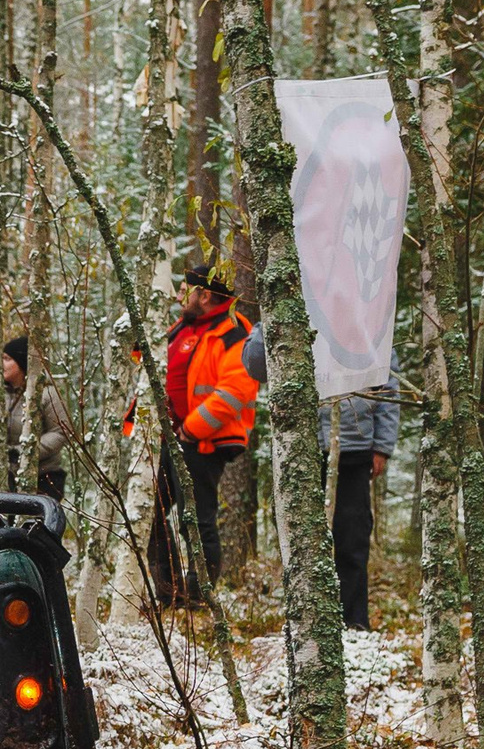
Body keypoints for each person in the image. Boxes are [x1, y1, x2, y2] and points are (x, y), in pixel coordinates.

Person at [242, 327, 401, 631]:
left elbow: (389, 385)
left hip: (354, 447)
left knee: (351, 539)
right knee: (300, 538)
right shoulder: (294, 294)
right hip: (299, 445)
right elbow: (255, 365)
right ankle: (305, 623)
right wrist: (267, 319)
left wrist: (382, 444)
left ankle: (353, 623)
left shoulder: (365, 310)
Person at [162, 269, 260, 581]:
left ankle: (199, 593)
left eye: (184, 291)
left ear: (204, 295)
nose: (179, 298)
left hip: (202, 442)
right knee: (150, 515)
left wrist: (190, 430)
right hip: (168, 438)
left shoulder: (234, 331)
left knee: (198, 519)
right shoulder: (181, 327)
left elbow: (233, 393)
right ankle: (167, 589)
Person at [2, 336, 75, 501]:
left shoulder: (46, 394)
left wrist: (25, 452)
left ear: (21, 362)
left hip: (43, 477)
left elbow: (61, 432)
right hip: (7, 477)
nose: (2, 364)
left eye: (7, 359)